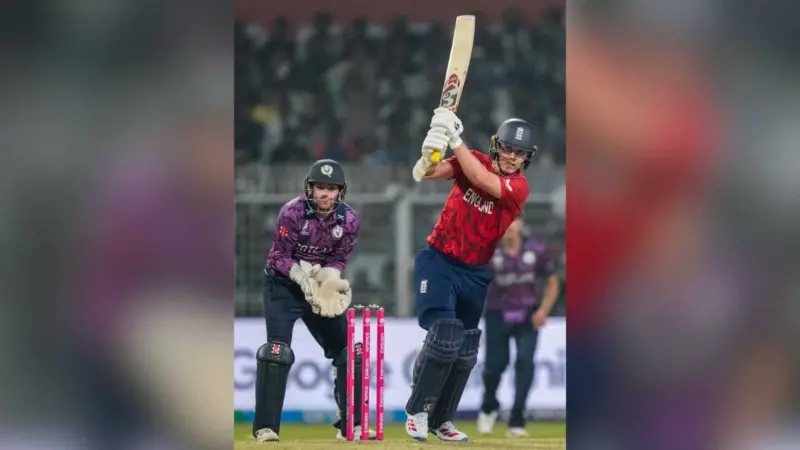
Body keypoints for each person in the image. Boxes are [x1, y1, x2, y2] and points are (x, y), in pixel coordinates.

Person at [404, 107, 538, 441]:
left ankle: (442, 420)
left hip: (475, 272)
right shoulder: (472, 159)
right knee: (445, 335)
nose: (512, 157)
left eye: (519, 153)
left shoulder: (519, 187)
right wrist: (431, 152)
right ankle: (417, 411)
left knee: (465, 351)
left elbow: (480, 180)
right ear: (496, 146)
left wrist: (454, 137)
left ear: (528, 157)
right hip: (439, 261)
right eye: (507, 148)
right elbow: (427, 173)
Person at [252, 159, 374, 442]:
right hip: (283, 286)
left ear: (340, 191)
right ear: (310, 188)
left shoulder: (349, 220)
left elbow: (339, 257)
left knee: (348, 353)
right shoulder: (292, 212)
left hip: (318, 286)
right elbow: (280, 256)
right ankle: (266, 428)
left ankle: (352, 425)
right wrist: (301, 277)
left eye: (331, 189)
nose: (325, 194)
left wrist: (329, 279)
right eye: (320, 187)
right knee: (276, 353)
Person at [476, 215, 560, 438]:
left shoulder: (536, 250)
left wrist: (543, 311)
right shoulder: (490, 252)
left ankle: (517, 420)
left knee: (525, 361)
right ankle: (489, 407)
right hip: (497, 313)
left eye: (513, 221)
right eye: (505, 222)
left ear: (521, 224)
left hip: (527, 316)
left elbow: (552, 282)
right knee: (495, 366)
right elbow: (477, 282)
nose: (510, 227)